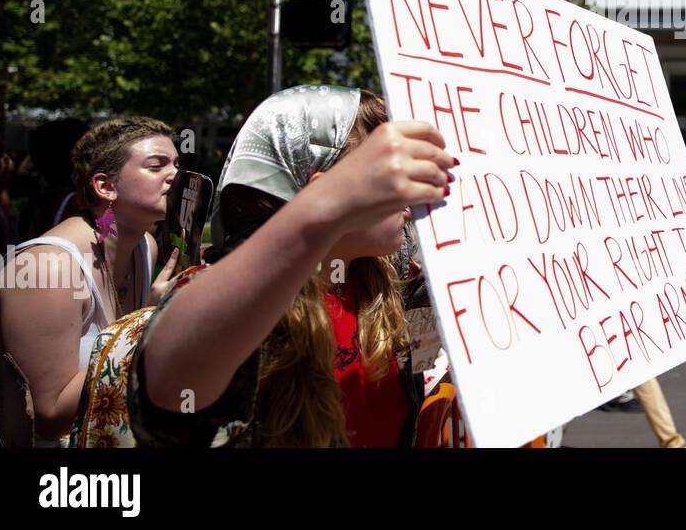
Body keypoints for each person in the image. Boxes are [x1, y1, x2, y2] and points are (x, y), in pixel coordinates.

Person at [68, 85, 449, 448]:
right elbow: (169, 388)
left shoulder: (390, 284)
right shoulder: (243, 303)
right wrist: (322, 208)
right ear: (323, 188)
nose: (408, 194)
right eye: (388, 174)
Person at [0, 117, 180, 446]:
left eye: (177, 164)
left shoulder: (143, 248)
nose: (175, 175)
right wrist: (153, 331)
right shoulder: (47, 269)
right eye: (156, 166)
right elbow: (46, 416)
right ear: (105, 186)